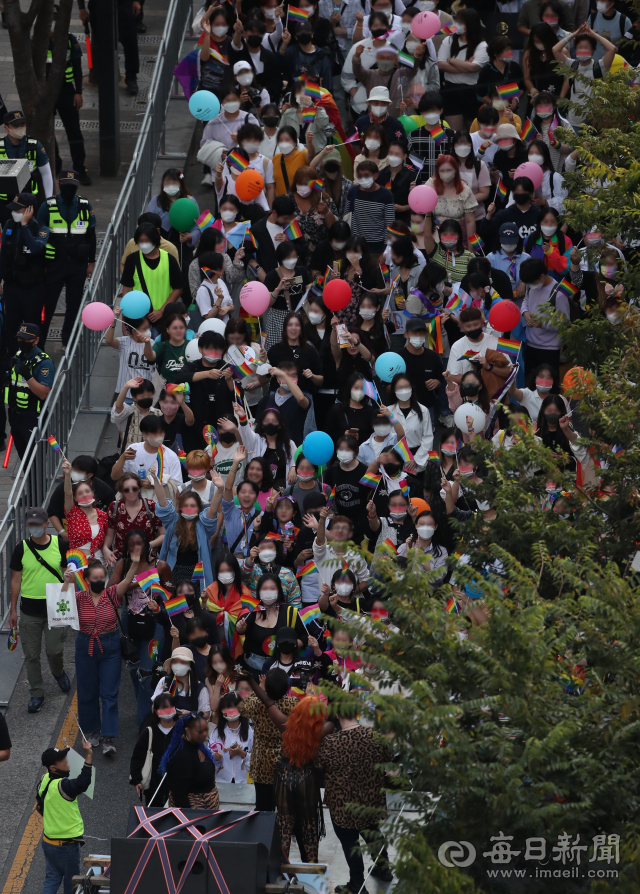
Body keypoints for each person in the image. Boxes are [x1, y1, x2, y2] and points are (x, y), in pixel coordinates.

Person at [62, 553, 141, 754]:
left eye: (102, 578)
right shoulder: (78, 597)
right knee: (87, 691)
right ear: (87, 580)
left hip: (110, 645)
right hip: (85, 643)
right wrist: (67, 581)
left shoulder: (112, 593)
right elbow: (60, 604)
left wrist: (135, 564)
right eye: (95, 578)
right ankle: (92, 731)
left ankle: (109, 737)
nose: (99, 581)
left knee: (109, 692)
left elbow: (127, 580)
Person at [314, 711, 394, 890]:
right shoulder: (376, 737)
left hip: (343, 804)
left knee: (350, 842)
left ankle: (357, 883)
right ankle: (384, 868)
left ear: (337, 715)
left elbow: (318, 766)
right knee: (373, 832)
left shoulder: (331, 743)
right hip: (370, 799)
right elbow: (388, 759)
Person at [9, 507, 70, 713]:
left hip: (56, 606)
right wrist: (13, 610)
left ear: (46, 524)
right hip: (29, 609)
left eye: (39, 524)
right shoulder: (21, 548)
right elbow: (16, 580)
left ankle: (58, 672)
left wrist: (70, 583)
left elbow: (67, 574)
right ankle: (37, 692)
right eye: (31, 524)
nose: (35, 528)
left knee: (54, 651)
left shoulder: (60, 545)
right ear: (28, 526)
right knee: (31, 655)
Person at [38, 170, 96, 348]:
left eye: (72, 187)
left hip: (77, 265)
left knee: (74, 305)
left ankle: (67, 341)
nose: (69, 190)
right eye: (65, 187)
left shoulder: (85, 206)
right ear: (58, 186)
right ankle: (39, 344)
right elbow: (39, 235)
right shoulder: (47, 206)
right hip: (54, 264)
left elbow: (91, 236)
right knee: (47, 306)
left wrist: (91, 262)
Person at [236, 666, 299, 810]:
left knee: (264, 808)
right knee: (286, 807)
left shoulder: (256, 704)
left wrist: (259, 688)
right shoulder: (293, 704)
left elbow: (241, 706)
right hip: (286, 763)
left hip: (261, 763)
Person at [38, 740, 93, 894]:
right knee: (72, 885)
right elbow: (83, 782)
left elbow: (40, 805)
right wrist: (88, 755)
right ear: (53, 767)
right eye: (61, 760)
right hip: (66, 846)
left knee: (52, 878)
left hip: (48, 842)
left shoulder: (44, 780)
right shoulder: (64, 785)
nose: (66, 761)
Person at [0, 196, 51, 351]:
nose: (14, 212)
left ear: (29, 210)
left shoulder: (41, 229)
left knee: (33, 325)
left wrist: (24, 226)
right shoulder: (9, 225)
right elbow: (3, 255)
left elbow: (36, 249)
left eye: (18, 209)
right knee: (11, 326)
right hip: (12, 287)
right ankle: (12, 359)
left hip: (32, 289)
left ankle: (36, 357)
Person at [46, 7, 90, 184]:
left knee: (74, 131)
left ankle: (79, 167)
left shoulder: (70, 41)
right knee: (47, 131)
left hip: (66, 91)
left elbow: (78, 69)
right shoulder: (38, 41)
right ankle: (54, 163)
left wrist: (78, 92)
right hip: (46, 93)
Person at [235, 574, 308, 671]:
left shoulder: (290, 612)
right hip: (252, 665)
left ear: (278, 591)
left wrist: (291, 645)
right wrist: (240, 628)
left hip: (282, 666)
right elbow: (241, 628)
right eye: (264, 589)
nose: (268, 592)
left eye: (272, 588)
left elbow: (304, 636)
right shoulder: (252, 611)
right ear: (259, 592)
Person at [5, 323, 55, 459]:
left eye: (26, 339)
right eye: (20, 338)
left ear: (36, 340)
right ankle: (30, 481)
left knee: (35, 460)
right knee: (24, 458)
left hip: (33, 417)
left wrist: (29, 376)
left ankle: (38, 481)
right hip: (15, 415)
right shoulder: (18, 356)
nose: (22, 342)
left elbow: (43, 393)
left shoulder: (44, 363)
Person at [120, 223, 183, 327]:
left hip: (164, 320)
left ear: (155, 240)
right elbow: (126, 291)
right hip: (138, 319)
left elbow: (178, 288)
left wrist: (161, 311)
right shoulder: (132, 259)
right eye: (141, 241)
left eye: (147, 240)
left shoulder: (169, 259)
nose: (144, 244)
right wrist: (124, 322)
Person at [519, 256, 571, 380]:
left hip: (549, 348)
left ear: (542, 276)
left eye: (532, 282)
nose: (530, 285)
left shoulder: (559, 293)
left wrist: (543, 324)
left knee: (548, 385)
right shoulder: (530, 286)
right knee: (530, 384)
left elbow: (564, 323)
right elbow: (526, 300)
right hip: (530, 343)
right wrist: (525, 313)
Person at [437, 8, 488, 131]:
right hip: (451, 90)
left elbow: (474, 67)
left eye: (460, 22)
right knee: (454, 132)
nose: (456, 25)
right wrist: (465, 66)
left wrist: (451, 61)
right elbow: (440, 64)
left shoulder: (482, 45)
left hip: (472, 91)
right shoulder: (448, 40)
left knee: (474, 132)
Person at [111, 415, 183, 502]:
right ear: (145, 434)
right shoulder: (134, 449)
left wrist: (154, 485)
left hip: (158, 506)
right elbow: (114, 476)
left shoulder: (171, 456)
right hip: (133, 502)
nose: (159, 436)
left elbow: (178, 487)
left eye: (161, 432)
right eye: (155, 433)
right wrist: (122, 458)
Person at [0, 111, 53, 222]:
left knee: (30, 232)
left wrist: (49, 201)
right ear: (6, 128)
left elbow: (46, 173)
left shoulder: (34, 146)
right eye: (16, 126)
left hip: (29, 201)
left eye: (23, 125)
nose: (20, 128)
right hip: (6, 201)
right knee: (8, 233)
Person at [162, 713, 220, 808]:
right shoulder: (181, 757)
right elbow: (179, 795)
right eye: (200, 731)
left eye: (206, 730)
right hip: (194, 815)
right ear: (187, 731)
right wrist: (189, 818)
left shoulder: (199, 748)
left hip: (207, 813)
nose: (205, 734)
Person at [129, 693, 177, 806]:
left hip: (177, 784)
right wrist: (136, 780)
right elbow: (137, 756)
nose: (168, 711)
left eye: (170, 707)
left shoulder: (182, 730)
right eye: (164, 708)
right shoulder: (149, 732)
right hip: (154, 785)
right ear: (156, 711)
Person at [62, 458, 109, 563]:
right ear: (75, 498)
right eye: (80, 493)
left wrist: (106, 549)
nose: (84, 494)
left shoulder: (103, 515)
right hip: (77, 560)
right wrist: (68, 474)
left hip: (98, 560)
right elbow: (68, 493)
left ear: (92, 493)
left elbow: (107, 536)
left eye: (87, 491)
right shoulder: (72, 513)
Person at [349, 160, 396, 256]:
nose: (363, 179)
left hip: (377, 249)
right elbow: (347, 217)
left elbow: (390, 225)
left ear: (376, 176)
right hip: (356, 247)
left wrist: (385, 251)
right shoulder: (353, 191)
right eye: (360, 176)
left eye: (366, 175)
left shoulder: (386, 194)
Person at [209, 692, 253, 783]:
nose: (231, 712)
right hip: (222, 782)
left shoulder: (250, 732)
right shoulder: (216, 733)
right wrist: (216, 758)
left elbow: (255, 762)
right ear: (222, 711)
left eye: (234, 708)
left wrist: (242, 754)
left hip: (244, 783)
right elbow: (209, 762)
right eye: (227, 709)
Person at [110, 377, 161, 453]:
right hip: (130, 459)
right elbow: (118, 406)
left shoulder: (158, 414)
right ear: (134, 397)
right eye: (143, 396)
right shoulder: (128, 412)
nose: (147, 398)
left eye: (149, 395)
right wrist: (126, 387)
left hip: (153, 458)